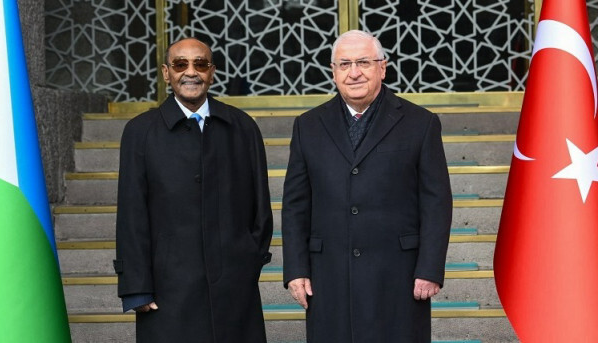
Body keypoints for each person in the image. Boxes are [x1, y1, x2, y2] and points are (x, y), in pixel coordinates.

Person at [282, 30, 453, 342]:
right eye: (344, 64)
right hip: (328, 274)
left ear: (383, 67)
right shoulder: (307, 126)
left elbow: (436, 202)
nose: (354, 72)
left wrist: (430, 268)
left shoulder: (420, 123)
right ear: (333, 71)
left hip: (398, 275)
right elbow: (295, 205)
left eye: (363, 62)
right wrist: (295, 269)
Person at [114, 38, 273, 343]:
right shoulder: (140, 132)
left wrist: (246, 263)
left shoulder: (242, 127)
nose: (191, 72)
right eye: (180, 64)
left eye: (200, 64)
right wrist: (136, 287)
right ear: (165, 72)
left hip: (234, 291)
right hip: (168, 293)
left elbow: (260, 211)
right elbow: (131, 215)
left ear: (211, 71)